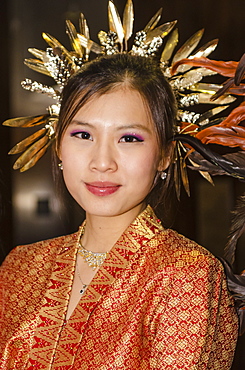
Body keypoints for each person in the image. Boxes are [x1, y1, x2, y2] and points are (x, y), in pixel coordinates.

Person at [0, 52, 238, 369]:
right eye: (83, 134)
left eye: (128, 138)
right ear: (59, 146)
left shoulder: (186, 274)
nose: (102, 162)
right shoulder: (20, 267)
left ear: (165, 154)